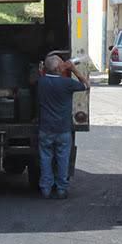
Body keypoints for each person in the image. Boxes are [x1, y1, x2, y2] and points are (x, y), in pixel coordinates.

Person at [36, 53, 89, 199]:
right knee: (63, 159)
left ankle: (46, 189)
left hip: (45, 129)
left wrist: (43, 70)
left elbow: (42, 76)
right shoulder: (67, 83)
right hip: (63, 129)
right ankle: (61, 189)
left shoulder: (41, 82)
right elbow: (86, 85)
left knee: (45, 158)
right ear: (60, 68)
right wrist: (73, 69)